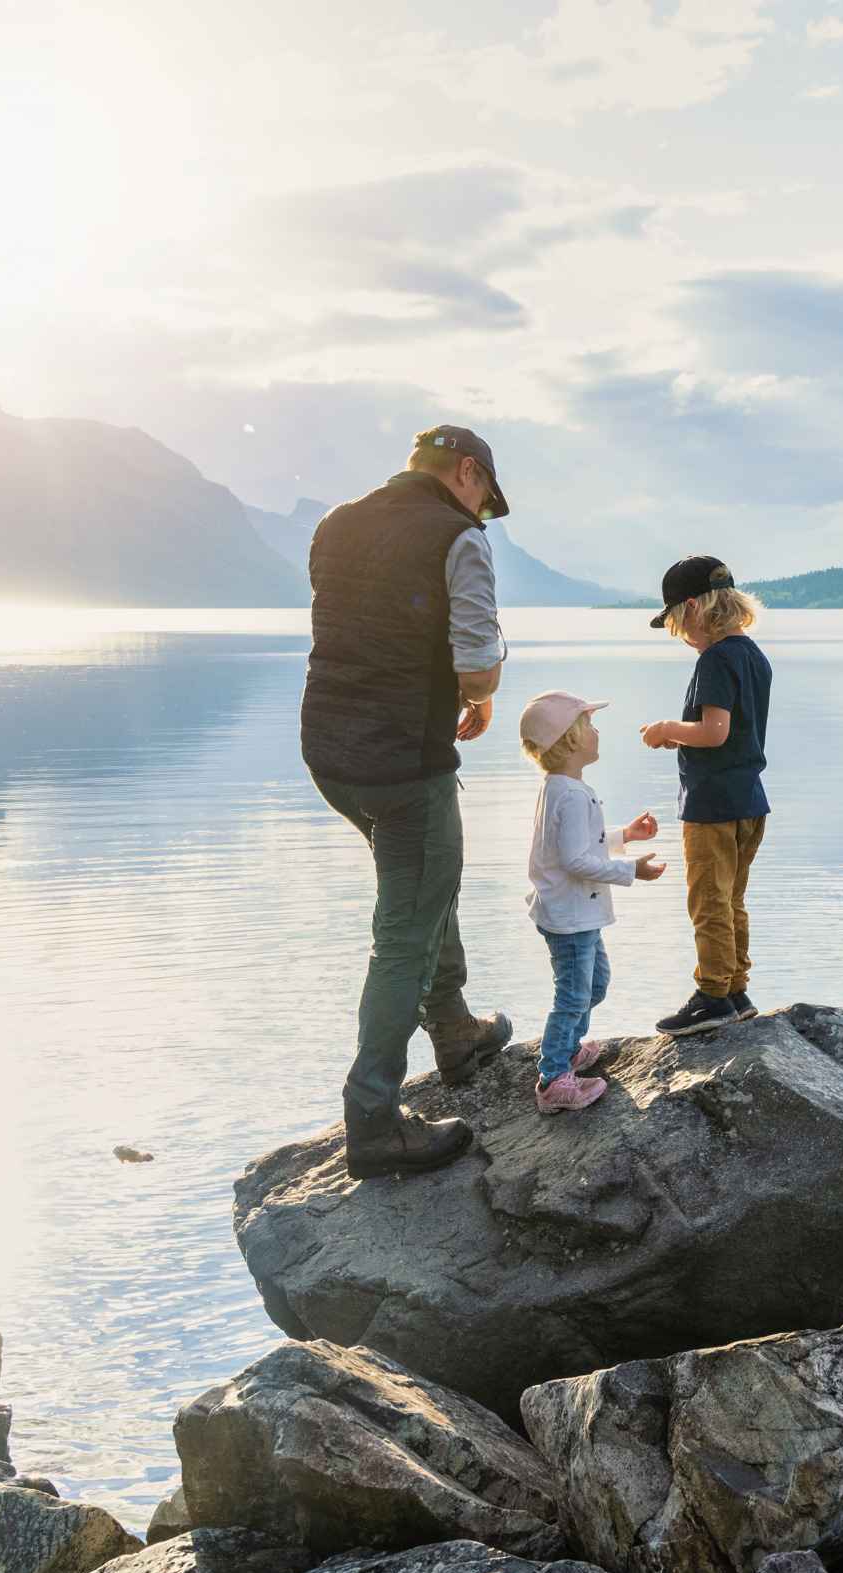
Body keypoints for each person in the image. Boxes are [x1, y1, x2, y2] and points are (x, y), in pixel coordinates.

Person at [301, 425, 517, 1178]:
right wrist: (483, 694)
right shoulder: (458, 536)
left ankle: (454, 1028)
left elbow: (361, 626)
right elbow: (478, 661)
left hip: (331, 754)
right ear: (467, 473)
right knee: (403, 932)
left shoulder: (337, 521)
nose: (484, 515)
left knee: (428, 877)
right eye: (486, 499)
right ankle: (374, 1119)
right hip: (401, 758)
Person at [639, 556, 771, 1036]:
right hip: (749, 799)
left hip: (712, 804)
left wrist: (666, 729)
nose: (681, 635)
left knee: (708, 902)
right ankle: (736, 989)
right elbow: (731, 733)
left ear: (693, 607)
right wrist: (684, 735)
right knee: (732, 899)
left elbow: (713, 732)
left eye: (677, 623)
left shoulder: (714, 658)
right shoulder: (752, 654)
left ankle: (713, 996)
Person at [519, 691, 665, 1112]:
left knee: (594, 984)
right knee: (573, 995)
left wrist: (624, 838)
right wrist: (630, 870)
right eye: (591, 725)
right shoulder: (571, 794)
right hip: (570, 917)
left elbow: (580, 845)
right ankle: (553, 1081)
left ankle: (565, 1050)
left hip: (571, 912)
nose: (598, 731)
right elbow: (578, 860)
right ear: (570, 742)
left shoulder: (563, 787)